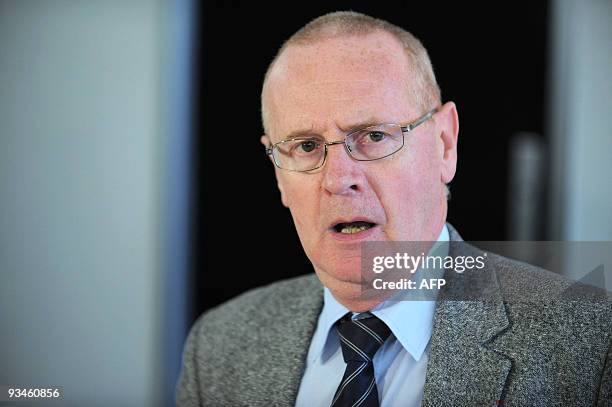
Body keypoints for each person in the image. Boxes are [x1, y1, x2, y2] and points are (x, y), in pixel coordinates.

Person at [176, 11, 611, 407]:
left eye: (374, 136)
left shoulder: (592, 341)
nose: (337, 179)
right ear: (277, 173)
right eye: (306, 146)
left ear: (445, 144)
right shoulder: (217, 346)